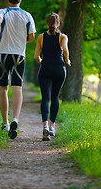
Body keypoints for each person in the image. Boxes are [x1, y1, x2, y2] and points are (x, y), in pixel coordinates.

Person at [0, 0, 36, 139]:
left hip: (2, 54)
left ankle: (5, 123)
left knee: (3, 88)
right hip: (19, 55)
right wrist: (22, 40)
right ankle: (15, 119)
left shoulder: (2, 12)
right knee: (17, 88)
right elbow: (31, 37)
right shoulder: (27, 15)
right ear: (20, 0)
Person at [34, 12, 71, 141]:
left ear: (47, 23)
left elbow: (36, 56)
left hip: (45, 69)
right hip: (58, 69)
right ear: (58, 24)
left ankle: (44, 126)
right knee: (55, 96)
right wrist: (67, 60)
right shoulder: (62, 37)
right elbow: (65, 50)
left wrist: (41, 62)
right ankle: (52, 127)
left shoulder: (41, 37)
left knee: (45, 98)